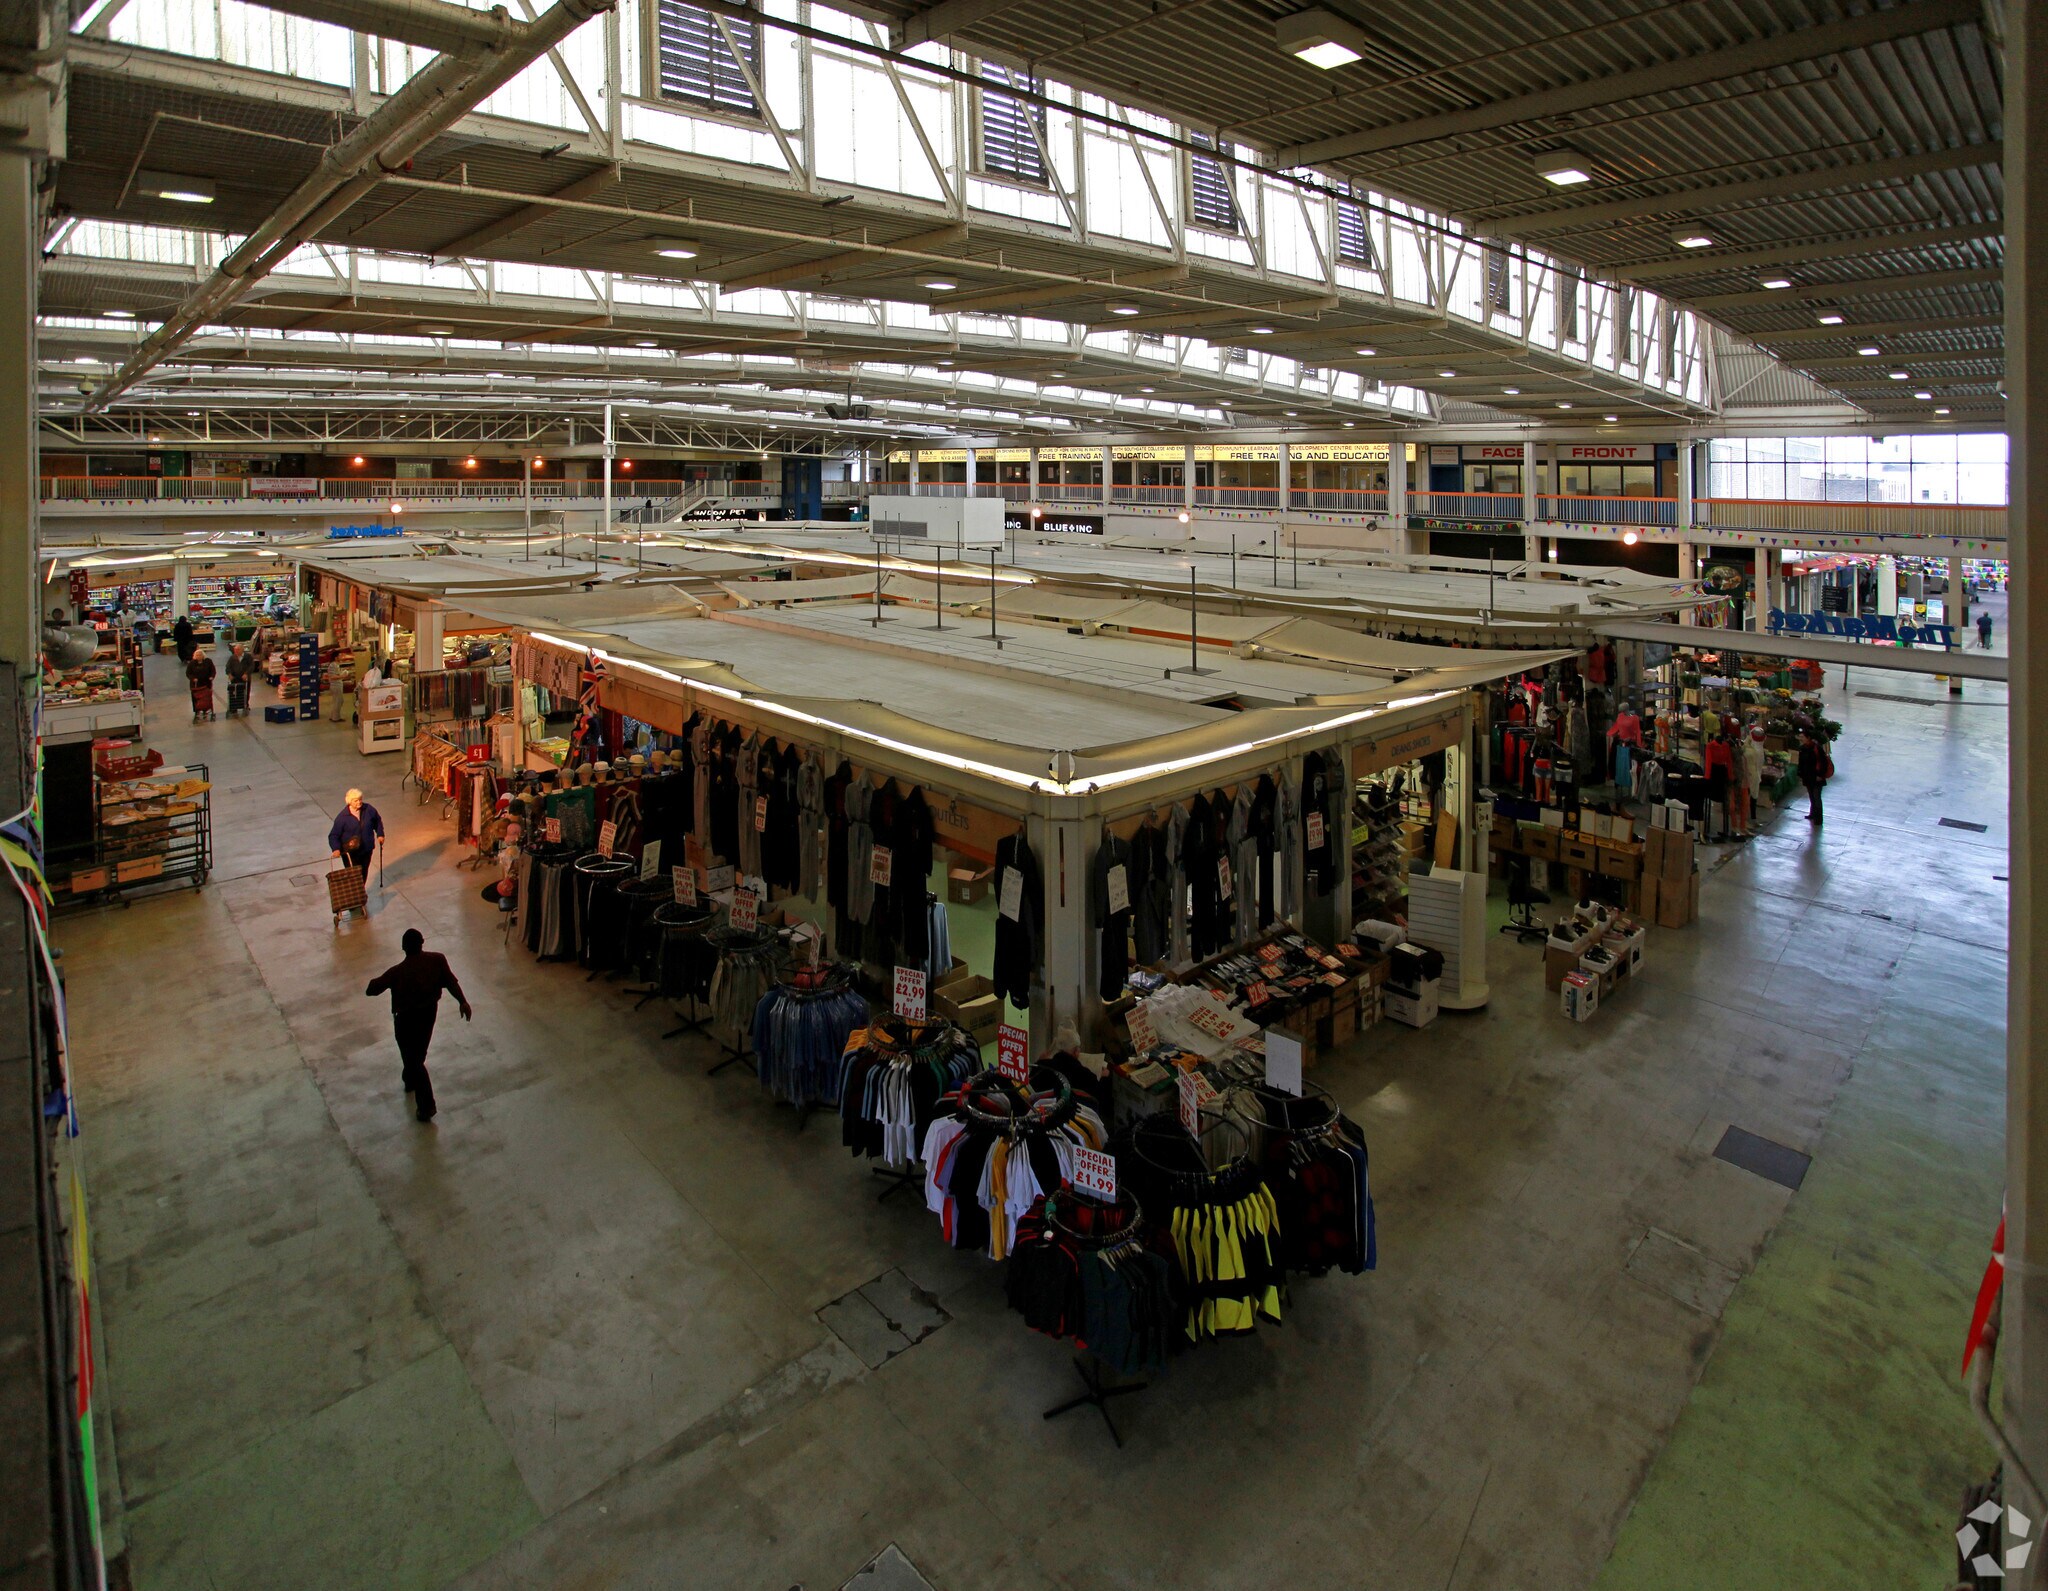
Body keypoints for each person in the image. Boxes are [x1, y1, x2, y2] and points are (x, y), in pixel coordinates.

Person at [364, 927, 471, 1123]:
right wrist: (462, 1001)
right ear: (422, 943)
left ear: (403, 947)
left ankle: (426, 1106)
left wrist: (374, 982)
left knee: (413, 1058)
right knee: (417, 1055)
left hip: (405, 1020)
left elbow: (372, 989)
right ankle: (409, 1079)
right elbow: (451, 982)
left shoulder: (397, 972)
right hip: (428, 1015)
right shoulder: (437, 960)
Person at [328, 788, 385, 893]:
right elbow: (333, 835)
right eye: (355, 800)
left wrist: (380, 834)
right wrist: (336, 849)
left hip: (366, 848)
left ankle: (359, 892)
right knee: (353, 874)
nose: (359, 802)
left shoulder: (369, 809)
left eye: (360, 799)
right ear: (349, 802)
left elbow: (377, 821)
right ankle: (355, 893)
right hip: (350, 852)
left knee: (363, 871)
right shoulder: (342, 818)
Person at [1796, 730, 1833, 827]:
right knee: (1812, 796)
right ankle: (1812, 814)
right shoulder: (1803, 748)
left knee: (1817, 797)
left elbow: (1823, 762)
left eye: (1802, 737)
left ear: (1808, 738)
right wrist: (1800, 772)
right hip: (1808, 776)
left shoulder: (1816, 748)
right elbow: (1801, 762)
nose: (1801, 738)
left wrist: (1820, 775)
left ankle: (1819, 818)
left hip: (1817, 777)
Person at [185, 647, 217, 721]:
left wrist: (212, 677)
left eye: (200, 655)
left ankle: (206, 710)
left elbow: (213, 670)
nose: (199, 656)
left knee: (207, 698)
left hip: (206, 683)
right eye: (197, 655)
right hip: (196, 685)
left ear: (203, 655)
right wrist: (193, 678)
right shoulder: (192, 663)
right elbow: (188, 673)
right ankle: (197, 711)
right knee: (196, 699)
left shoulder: (208, 661)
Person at [225, 642, 256, 715]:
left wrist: (246, 673)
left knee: (246, 691)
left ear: (242, 650)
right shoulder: (232, 658)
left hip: (245, 678)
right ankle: (234, 707)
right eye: (235, 649)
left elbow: (251, 666)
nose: (236, 651)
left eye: (238, 649)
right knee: (234, 691)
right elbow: (228, 667)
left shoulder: (247, 657)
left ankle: (245, 705)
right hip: (235, 678)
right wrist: (229, 674)